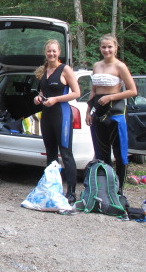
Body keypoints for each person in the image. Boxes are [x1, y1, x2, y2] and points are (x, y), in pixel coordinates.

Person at [85, 34, 137, 194]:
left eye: (110, 47)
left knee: (119, 152)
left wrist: (110, 97)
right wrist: (88, 111)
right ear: (100, 48)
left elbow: (133, 91)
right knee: (102, 152)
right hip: (98, 112)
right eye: (103, 47)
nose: (106, 50)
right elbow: (93, 90)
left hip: (115, 112)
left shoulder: (120, 66)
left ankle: (119, 189)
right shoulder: (96, 65)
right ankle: (105, 187)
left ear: (116, 47)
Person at [33, 39, 81, 203]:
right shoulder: (44, 70)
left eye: (54, 51)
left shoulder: (65, 69)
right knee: (51, 153)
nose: (51, 54)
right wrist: (38, 98)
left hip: (62, 114)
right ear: (45, 53)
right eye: (49, 51)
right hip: (47, 115)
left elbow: (76, 93)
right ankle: (52, 188)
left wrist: (56, 99)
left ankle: (72, 192)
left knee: (66, 154)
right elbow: (42, 90)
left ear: (59, 52)